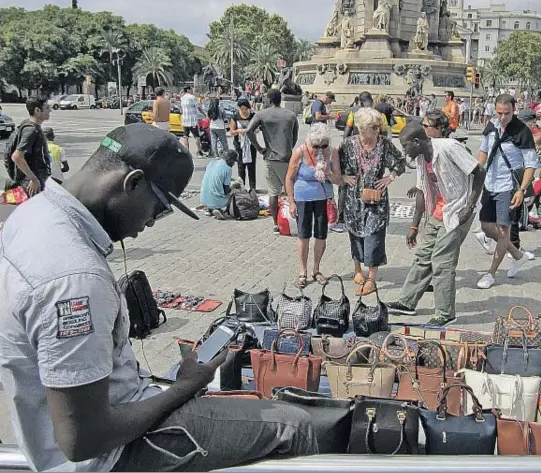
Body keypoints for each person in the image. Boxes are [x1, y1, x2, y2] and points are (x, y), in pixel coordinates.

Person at [0, 123, 316, 472]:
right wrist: (183, 388)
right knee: (293, 425)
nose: (151, 222)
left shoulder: (33, 212)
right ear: (132, 183)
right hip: (112, 455)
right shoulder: (75, 278)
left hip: (91, 424)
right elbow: (81, 440)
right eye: (160, 206)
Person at [388, 119, 486, 326]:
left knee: (442, 262)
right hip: (439, 211)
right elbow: (423, 191)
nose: (405, 152)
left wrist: (469, 206)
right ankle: (406, 302)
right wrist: (414, 226)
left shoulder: (449, 148)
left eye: (406, 146)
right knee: (423, 256)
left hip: (458, 211)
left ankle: (445, 313)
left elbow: (479, 172)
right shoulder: (421, 158)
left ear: (416, 141)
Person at [340, 108, 406, 296]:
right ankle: (357, 270)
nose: (378, 130)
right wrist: (344, 177)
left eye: (378, 126)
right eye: (374, 127)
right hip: (354, 199)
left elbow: (401, 161)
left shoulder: (384, 144)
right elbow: (334, 166)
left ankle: (371, 279)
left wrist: (389, 178)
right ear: (362, 128)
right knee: (355, 235)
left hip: (377, 200)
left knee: (374, 238)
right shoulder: (347, 145)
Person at [476, 94, 539, 290]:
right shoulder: (491, 126)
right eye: (499, 113)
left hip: (508, 187)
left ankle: (491, 273)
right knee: (486, 226)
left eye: (507, 113)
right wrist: (476, 173)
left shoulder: (522, 131)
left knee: (504, 230)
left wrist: (521, 190)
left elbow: (530, 165)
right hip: (490, 183)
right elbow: (483, 152)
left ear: (514, 110)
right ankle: (518, 255)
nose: (502, 117)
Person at [285, 123, 342, 288]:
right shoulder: (300, 151)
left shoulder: (332, 153)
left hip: (323, 198)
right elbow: (289, 177)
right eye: (315, 146)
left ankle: (316, 269)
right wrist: (291, 202)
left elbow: (339, 180)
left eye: (323, 145)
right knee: (303, 235)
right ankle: (302, 271)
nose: (319, 149)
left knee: (321, 235)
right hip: (302, 197)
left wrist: (328, 172)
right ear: (309, 142)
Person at [241, 89, 300, 234]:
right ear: (281, 99)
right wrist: (287, 147)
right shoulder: (291, 115)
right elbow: (295, 136)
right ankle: (294, 220)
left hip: (269, 158)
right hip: (286, 158)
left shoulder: (262, 114)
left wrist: (260, 148)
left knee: (273, 193)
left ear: (268, 99)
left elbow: (248, 131)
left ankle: (276, 224)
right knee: (291, 192)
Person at [337, 92, 389, 235]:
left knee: (345, 188)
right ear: (371, 101)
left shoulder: (353, 114)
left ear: (359, 102)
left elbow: (347, 131)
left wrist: (346, 145)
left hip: (353, 160)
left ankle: (341, 218)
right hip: (372, 157)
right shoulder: (379, 115)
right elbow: (384, 134)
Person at [9, 96, 52, 196]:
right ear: (37, 110)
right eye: (47, 107)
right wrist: (34, 179)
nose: (50, 110)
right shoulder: (31, 130)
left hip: (36, 180)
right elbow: (17, 156)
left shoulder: (30, 125)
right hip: (33, 184)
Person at [200, 150, 238, 220]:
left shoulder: (212, 162)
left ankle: (209, 209)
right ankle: (219, 209)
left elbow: (214, 176)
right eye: (234, 161)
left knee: (213, 188)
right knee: (233, 192)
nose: (234, 164)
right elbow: (226, 190)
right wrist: (234, 186)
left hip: (203, 199)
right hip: (217, 200)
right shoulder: (228, 169)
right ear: (229, 159)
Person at [229, 98, 257, 190]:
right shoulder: (235, 116)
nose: (244, 111)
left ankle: (253, 188)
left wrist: (253, 130)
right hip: (240, 144)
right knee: (241, 166)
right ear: (239, 108)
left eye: (246, 109)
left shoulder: (253, 116)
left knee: (251, 167)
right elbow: (232, 131)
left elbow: (257, 128)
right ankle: (242, 188)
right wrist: (239, 131)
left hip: (251, 144)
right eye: (242, 109)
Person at [180, 86, 203, 156]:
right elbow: (198, 107)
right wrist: (204, 114)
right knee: (197, 136)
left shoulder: (182, 98)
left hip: (185, 120)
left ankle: (187, 152)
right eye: (191, 89)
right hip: (192, 120)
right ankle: (199, 150)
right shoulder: (192, 97)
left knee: (185, 136)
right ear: (188, 90)